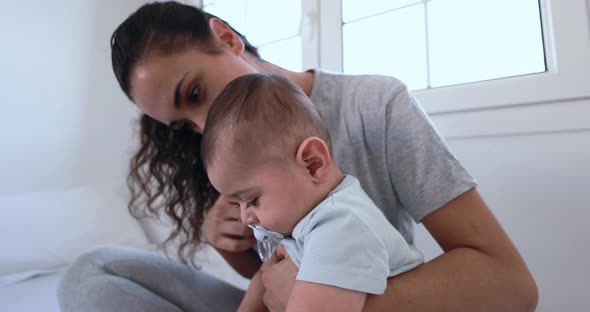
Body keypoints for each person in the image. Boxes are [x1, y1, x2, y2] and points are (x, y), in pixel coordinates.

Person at [58, 1, 538, 311]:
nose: (203, 127)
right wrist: (234, 247)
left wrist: (335, 299)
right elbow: (277, 271)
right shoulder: (222, 146)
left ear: (226, 38)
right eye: (184, 125)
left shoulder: (375, 105)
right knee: (92, 273)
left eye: (196, 92)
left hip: (369, 300)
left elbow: (512, 286)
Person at [200, 73, 424, 311]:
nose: (245, 218)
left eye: (252, 200)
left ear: (312, 163)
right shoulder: (304, 224)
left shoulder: (341, 227)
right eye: (238, 204)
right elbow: (264, 278)